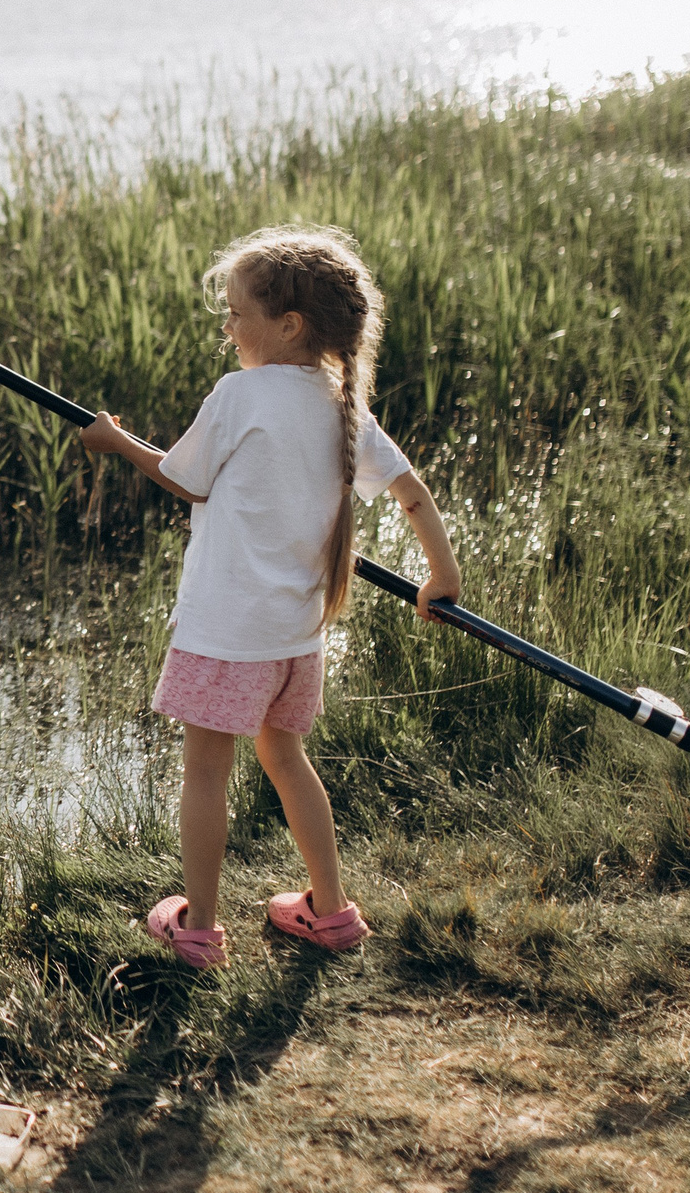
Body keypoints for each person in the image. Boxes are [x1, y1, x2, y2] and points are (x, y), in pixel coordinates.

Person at [79, 226, 461, 967]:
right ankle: (331, 908)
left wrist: (117, 442)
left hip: (225, 632)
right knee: (286, 757)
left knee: (205, 771)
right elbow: (412, 493)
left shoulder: (241, 392)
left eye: (235, 313)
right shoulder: (345, 405)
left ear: (287, 325)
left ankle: (197, 927)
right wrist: (441, 576)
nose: (228, 328)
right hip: (297, 639)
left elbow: (187, 478)